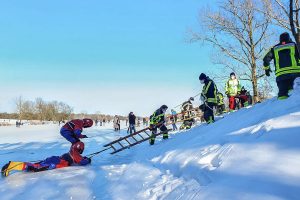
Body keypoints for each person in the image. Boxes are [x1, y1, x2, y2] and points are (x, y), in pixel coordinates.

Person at [1, 141, 91, 177]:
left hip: (55, 158)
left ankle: (14, 165)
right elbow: (83, 162)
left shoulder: (72, 151)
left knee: (36, 165)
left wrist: (83, 158)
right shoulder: (76, 154)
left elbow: (78, 158)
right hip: (56, 163)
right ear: (80, 148)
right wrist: (88, 159)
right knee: (35, 168)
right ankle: (11, 165)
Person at [263, 32, 300, 100]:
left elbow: (266, 59)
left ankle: (283, 108)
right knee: (297, 92)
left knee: (282, 96)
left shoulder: (274, 48)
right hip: (296, 74)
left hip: (281, 76)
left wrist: (267, 69)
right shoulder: (295, 45)